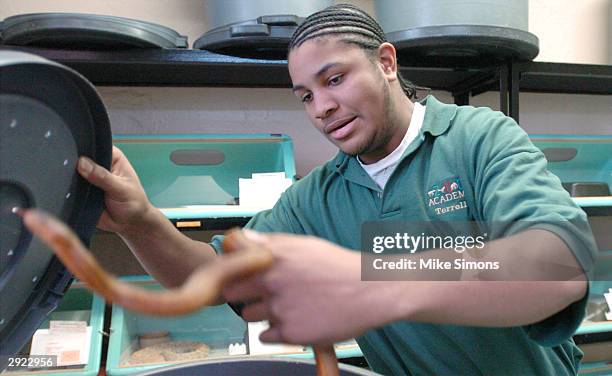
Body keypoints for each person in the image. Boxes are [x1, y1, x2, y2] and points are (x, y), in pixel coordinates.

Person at [70, 4, 596, 375]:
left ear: (386, 63)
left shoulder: (478, 138)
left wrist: (365, 274)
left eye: (335, 79)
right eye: (304, 95)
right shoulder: (317, 198)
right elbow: (221, 281)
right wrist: (141, 221)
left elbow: (555, 267)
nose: (320, 107)